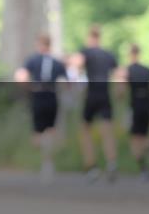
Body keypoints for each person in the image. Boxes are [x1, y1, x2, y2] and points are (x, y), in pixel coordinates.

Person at [14, 33, 67, 184]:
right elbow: (65, 82)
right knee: (51, 130)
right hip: (52, 96)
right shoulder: (57, 62)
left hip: (37, 96)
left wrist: (28, 88)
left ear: (39, 44)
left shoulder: (32, 60)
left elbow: (20, 76)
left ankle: (44, 160)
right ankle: (48, 160)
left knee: (37, 133)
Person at [69, 25, 118, 182]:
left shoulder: (86, 52)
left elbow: (76, 63)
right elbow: (119, 74)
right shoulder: (108, 54)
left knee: (85, 130)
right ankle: (111, 163)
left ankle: (92, 166)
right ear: (100, 37)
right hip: (105, 93)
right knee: (107, 131)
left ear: (90, 37)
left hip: (92, 94)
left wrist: (75, 80)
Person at [117, 44, 149, 181]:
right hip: (147, 104)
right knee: (144, 134)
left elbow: (121, 90)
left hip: (135, 105)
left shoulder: (127, 70)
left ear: (130, 54)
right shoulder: (147, 70)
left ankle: (143, 168)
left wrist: (120, 94)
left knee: (135, 138)